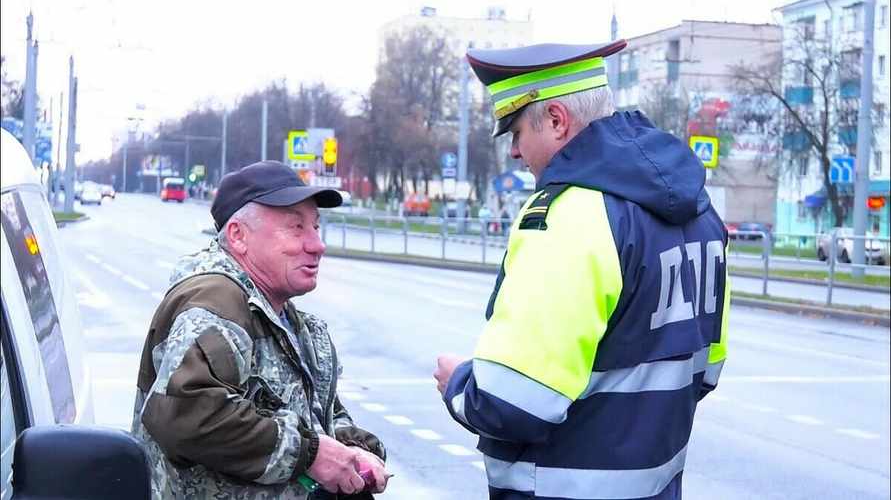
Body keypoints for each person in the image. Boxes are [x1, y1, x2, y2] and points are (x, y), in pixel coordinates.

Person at [433, 40, 729, 500]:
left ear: (556, 120)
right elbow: (707, 370)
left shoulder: (569, 215)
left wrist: (457, 383)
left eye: (515, 132)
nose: (515, 152)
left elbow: (510, 403)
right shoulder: (702, 215)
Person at [132, 161, 390, 499]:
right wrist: (311, 454)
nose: (317, 244)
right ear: (238, 235)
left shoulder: (279, 313)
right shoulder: (215, 303)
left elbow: (310, 416)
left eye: (315, 226)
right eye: (296, 228)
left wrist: (351, 449)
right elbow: (189, 415)